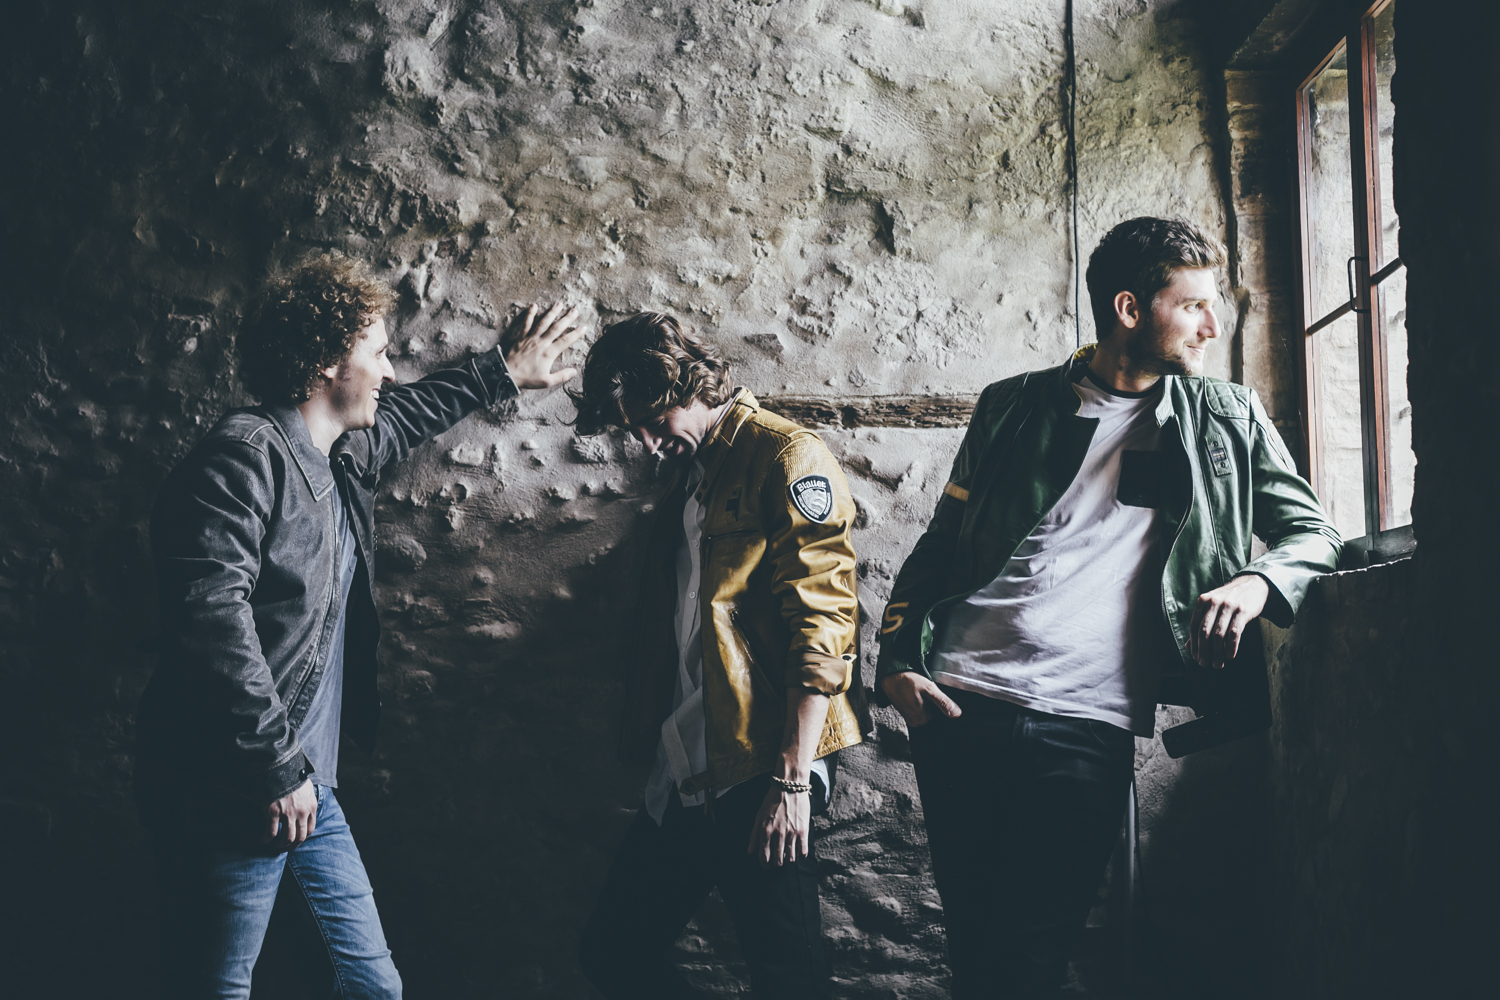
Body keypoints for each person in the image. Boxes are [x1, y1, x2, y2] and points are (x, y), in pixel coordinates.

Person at [876, 217, 1342, 998]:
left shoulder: (1225, 416)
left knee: (1031, 956)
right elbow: (943, 544)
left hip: (1085, 716)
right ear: (1130, 309)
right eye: (1192, 305)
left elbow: (1314, 532)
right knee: (978, 950)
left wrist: (1257, 582)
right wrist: (895, 660)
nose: (1212, 325)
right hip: (959, 705)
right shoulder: (1012, 407)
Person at [134, 253, 584, 998]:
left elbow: (406, 416)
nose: (391, 371)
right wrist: (275, 766)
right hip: (233, 787)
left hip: (306, 786)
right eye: (377, 353)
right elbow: (209, 621)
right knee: (215, 987)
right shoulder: (243, 462)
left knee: (371, 988)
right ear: (324, 363)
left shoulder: (339, 454)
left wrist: (501, 369)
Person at [572, 312, 863, 999]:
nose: (644, 444)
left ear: (684, 384)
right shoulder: (690, 480)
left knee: (788, 979)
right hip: (687, 768)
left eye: (650, 420)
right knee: (613, 952)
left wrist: (791, 782)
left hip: (758, 768)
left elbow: (823, 627)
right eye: (630, 430)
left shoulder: (784, 455)